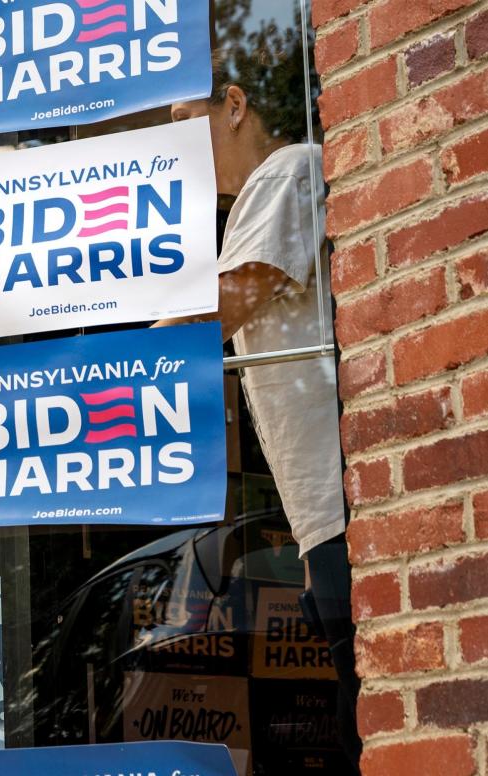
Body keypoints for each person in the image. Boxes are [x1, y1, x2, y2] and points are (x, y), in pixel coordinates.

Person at [160, 51, 362, 770]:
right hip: (326, 518)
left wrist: (106, 354)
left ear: (235, 104)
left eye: (186, 123)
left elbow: (229, 302)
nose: (177, 150)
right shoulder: (255, 207)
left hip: (345, 511)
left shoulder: (287, 170)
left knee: (363, 722)